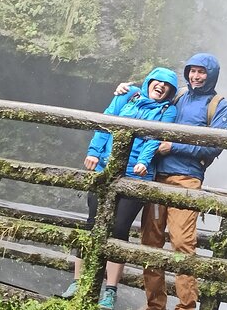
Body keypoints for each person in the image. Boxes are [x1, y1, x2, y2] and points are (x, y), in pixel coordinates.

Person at [115, 53, 227, 310]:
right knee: (150, 242)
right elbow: (148, 97)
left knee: (181, 241)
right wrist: (125, 90)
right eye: (192, 71)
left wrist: (174, 147)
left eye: (202, 72)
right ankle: (155, 305)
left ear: (211, 75)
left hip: (187, 180)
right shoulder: (177, 96)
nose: (196, 76)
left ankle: (186, 306)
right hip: (156, 177)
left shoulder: (218, 105)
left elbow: (215, 147)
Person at [62, 67, 178, 310]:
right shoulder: (129, 94)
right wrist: (94, 151)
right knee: (92, 223)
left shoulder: (169, 110)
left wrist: (143, 162)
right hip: (105, 169)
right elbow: (107, 121)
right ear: (149, 81)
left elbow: (155, 138)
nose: (161, 87)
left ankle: (110, 290)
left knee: (119, 228)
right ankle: (77, 282)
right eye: (158, 81)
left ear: (171, 91)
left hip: (137, 177)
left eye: (167, 85)